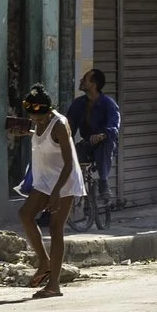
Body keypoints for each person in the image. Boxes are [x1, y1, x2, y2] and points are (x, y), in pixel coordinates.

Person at [16, 84, 83, 299]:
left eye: (39, 118)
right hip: (44, 181)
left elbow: (69, 163)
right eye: (33, 118)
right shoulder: (39, 123)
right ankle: (44, 262)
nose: (37, 121)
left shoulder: (59, 124)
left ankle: (54, 284)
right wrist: (26, 131)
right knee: (25, 215)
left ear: (49, 110)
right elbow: (43, 140)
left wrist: (57, 193)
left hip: (63, 181)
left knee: (56, 229)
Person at [66, 70, 121, 210]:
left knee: (105, 145)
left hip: (104, 143)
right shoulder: (78, 104)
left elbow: (114, 127)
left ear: (94, 85)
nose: (81, 82)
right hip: (87, 143)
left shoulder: (108, 104)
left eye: (85, 79)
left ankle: (103, 182)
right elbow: (68, 127)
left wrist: (102, 135)